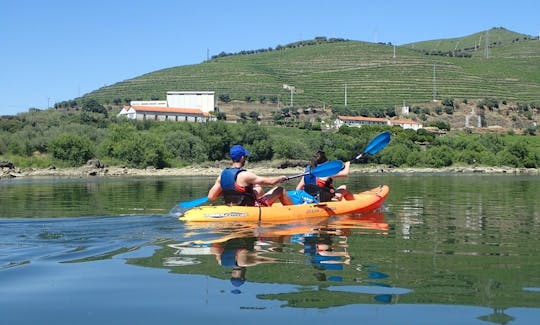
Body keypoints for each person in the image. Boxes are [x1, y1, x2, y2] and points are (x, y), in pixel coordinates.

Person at [208, 144, 293, 206]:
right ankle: (293, 210)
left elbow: (211, 197)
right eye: (245, 157)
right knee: (280, 190)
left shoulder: (222, 175)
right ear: (242, 158)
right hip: (249, 208)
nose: (245, 159)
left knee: (258, 188)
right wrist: (281, 178)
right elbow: (270, 182)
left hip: (232, 205)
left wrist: (227, 192)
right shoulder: (246, 175)